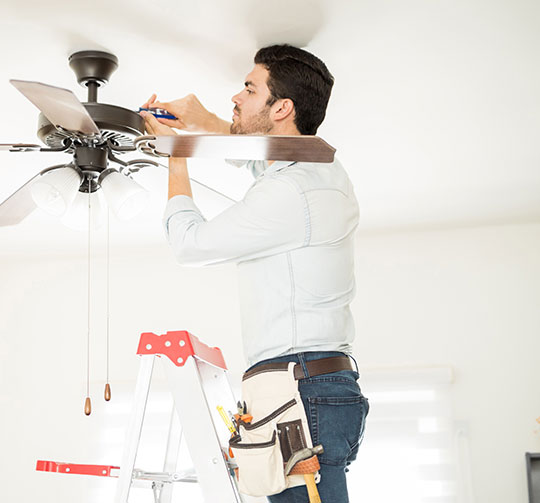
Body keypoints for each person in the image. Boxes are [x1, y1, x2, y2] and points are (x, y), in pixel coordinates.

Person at [140, 44, 369, 503]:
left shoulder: (291, 190)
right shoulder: (318, 171)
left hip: (298, 387)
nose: (236, 97)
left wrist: (177, 155)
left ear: (281, 107)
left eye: (249, 88)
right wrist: (201, 121)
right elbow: (254, 155)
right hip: (309, 385)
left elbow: (190, 244)